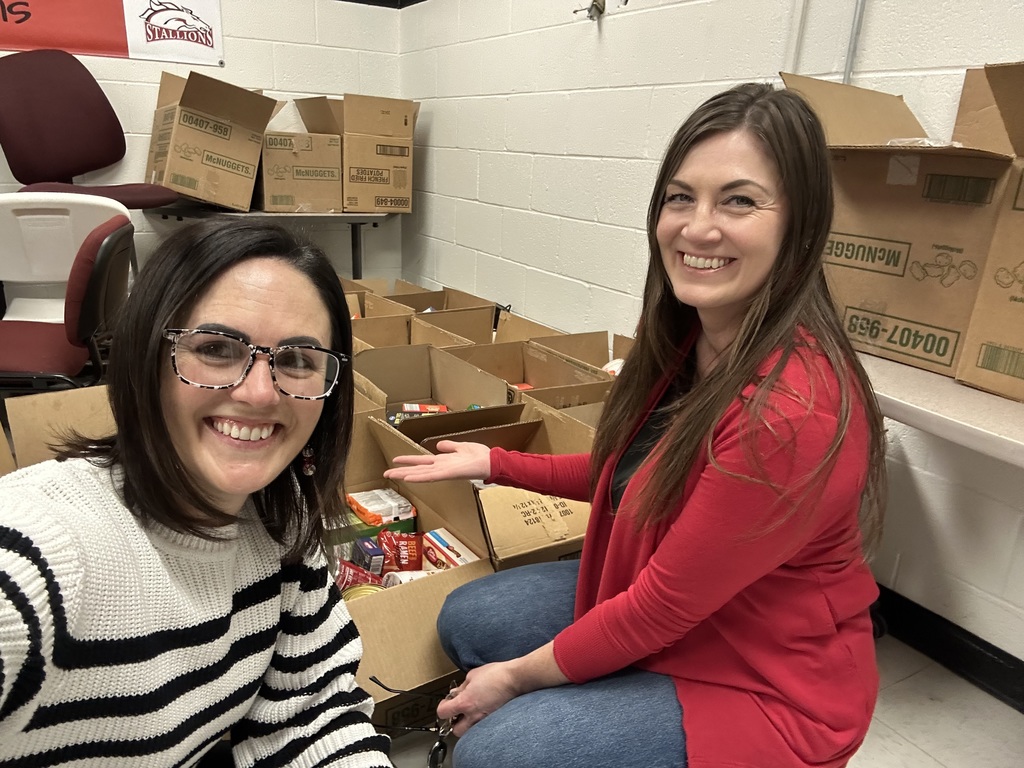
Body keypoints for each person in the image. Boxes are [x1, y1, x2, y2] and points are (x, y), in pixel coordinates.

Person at [383, 82, 887, 768]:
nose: (698, 228)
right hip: (682, 606)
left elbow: (658, 609)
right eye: (681, 197)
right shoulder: (691, 339)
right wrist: (495, 464)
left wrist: (516, 680)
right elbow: (634, 476)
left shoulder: (791, 410)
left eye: (739, 201)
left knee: (501, 752)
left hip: (762, 678)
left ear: (801, 224)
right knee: (472, 619)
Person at [0, 219, 392, 767]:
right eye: (215, 348)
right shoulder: (36, 554)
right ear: (146, 358)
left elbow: (310, 715)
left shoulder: (283, 523)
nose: (260, 393)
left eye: (297, 360)